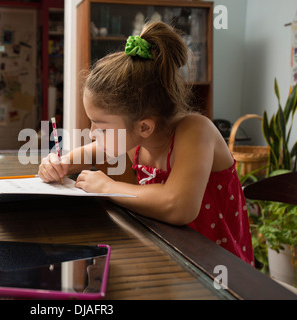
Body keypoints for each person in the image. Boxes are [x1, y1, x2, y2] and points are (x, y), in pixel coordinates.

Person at [38, 22, 254, 266]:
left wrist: (108, 188)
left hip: (218, 269)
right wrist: (62, 163)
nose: (92, 133)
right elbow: (93, 151)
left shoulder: (196, 130)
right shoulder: (134, 136)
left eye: (101, 126)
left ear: (144, 127)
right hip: (170, 254)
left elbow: (178, 205)